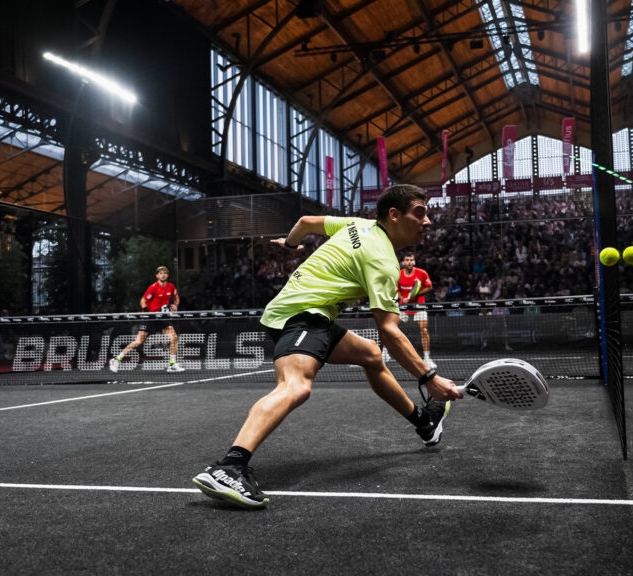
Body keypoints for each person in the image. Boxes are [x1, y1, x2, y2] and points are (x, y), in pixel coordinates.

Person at [191, 184, 463, 509]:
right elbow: (389, 330)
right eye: (419, 213)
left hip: (312, 313)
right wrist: (428, 377)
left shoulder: (357, 224)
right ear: (394, 215)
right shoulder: (382, 260)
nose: (428, 221)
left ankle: (424, 423)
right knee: (297, 387)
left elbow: (306, 222)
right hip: (301, 314)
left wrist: (290, 244)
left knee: (371, 355)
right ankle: (229, 467)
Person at [108, 266, 184, 373]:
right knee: (139, 341)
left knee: (174, 338)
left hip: (163, 318)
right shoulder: (153, 287)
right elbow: (142, 301)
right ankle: (116, 359)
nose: (163, 275)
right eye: (161, 273)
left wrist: (175, 305)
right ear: (157, 275)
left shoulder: (171, 286)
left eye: (165, 273)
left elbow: (176, 297)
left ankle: (172, 364)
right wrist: (147, 312)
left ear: (167, 275)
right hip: (150, 318)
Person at [398, 251, 435, 369]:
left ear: (414, 261)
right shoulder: (398, 274)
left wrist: (415, 294)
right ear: (403, 262)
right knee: (389, 328)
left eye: (412, 260)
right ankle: (385, 353)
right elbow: (395, 289)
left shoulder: (422, 273)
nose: (410, 262)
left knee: (423, 330)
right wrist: (402, 298)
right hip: (403, 306)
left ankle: (427, 358)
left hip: (419, 306)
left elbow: (429, 287)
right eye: (407, 260)